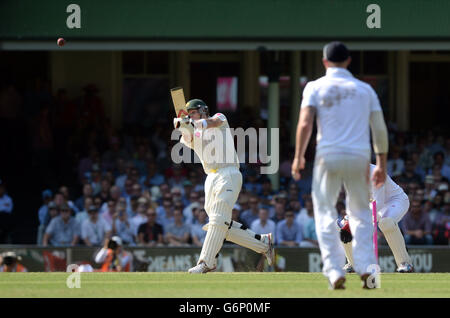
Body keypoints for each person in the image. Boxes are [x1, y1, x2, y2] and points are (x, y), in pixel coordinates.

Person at [291, 41, 389, 289]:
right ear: (348, 61)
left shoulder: (315, 86)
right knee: (361, 213)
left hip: (328, 156)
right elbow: (379, 129)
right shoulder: (365, 89)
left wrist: (299, 156)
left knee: (324, 211)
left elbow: (304, 124)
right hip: (359, 157)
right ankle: (367, 268)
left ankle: (335, 271)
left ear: (325, 62)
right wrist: (381, 163)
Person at [176, 98, 274, 273]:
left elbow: (211, 122)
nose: (191, 116)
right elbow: (188, 136)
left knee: (218, 219)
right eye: (189, 114)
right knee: (221, 224)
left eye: (193, 112)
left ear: (203, 110)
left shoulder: (219, 118)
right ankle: (263, 243)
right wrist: (182, 126)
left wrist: (191, 121)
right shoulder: (194, 132)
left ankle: (206, 262)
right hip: (210, 178)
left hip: (228, 172)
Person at [337, 164, 413, 273]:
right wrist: (349, 222)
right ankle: (353, 264)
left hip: (395, 201)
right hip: (371, 205)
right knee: (342, 225)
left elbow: (377, 205)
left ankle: (405, 263)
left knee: (386, 223)